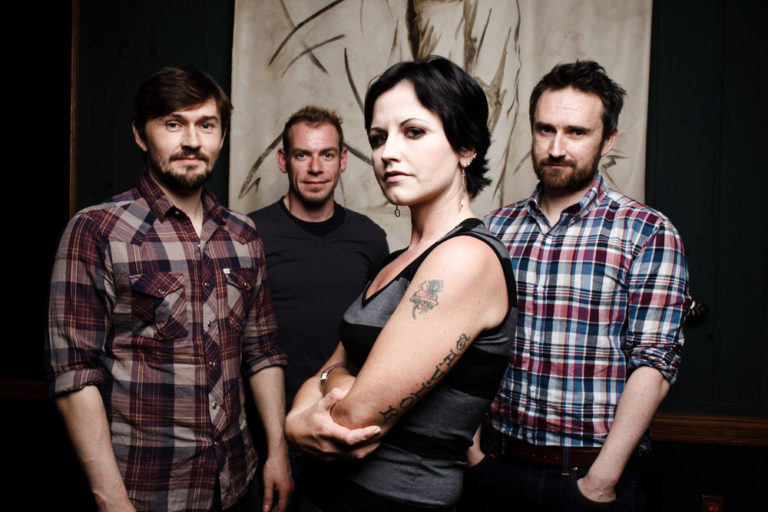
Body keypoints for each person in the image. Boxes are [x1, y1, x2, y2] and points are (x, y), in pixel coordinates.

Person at [45, 65, 292, 512]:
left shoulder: (243, 235)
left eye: (207, 125)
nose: (192, 141)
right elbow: (74, 374)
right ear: (141, 135)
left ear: (221, 136)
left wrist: (277, 450)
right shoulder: (97, 231)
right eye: (174, 124)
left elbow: (262, 351)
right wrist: (111, 499)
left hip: (237, 483)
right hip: (145, 491)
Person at [284, 56, 518, 512]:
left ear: (465, 147)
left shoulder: (465, 258)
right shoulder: (395, 261)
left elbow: (353, 417)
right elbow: (322, 377)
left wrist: (314, 401)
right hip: (324, 495)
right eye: (378, 138)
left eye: (413, 132)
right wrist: (296, 423)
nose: (387, 152)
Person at [462, 60, 691, 511]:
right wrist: (472, 452)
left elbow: (655, 363)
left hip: (590, 479)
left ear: (608, 141)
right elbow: (469, 345)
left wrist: (601, 480)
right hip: (494, 466)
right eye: (545, 129)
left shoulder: (647, 232)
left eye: (576, 132)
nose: (556, 148)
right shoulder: (495, 228)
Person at [248, 105, 388, 510]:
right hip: (265, 432)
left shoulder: (370, 238)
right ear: (283, 160)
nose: (315, 168)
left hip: (343, 426)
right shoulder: (249, 234)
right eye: (302, 155)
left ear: (342, 160)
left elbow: (378, 337)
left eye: (326, 154)